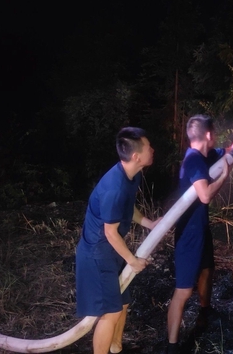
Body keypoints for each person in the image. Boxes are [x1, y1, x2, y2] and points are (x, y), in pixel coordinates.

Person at [75, 127, 160, 354]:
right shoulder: (115, 187)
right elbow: (110, 233)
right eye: (148, 147)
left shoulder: (133, 175)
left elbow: (128, 206)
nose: (152, 150)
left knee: (122, 303)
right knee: (110, 312)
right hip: (97, 252)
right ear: (136, 156)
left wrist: (148, 223)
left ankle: (116, 347)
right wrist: (132, 261)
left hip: (110, 248)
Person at [166, 115, 230, 353]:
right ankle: (171, 347)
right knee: (183, 290)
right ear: (209, 135)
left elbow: (228, 151)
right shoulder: (193, 161)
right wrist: (223, 177)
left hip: (201, 229)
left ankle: (205, 311)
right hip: (189, 235)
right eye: (215, 133)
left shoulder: (204, 156)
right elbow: (204, 196)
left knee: (207, 270)